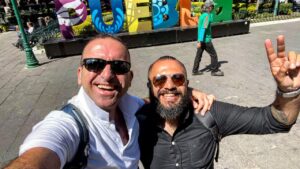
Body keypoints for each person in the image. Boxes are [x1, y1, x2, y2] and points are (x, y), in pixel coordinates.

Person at [4, 34, 214, 169]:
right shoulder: (68, 124)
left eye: (119, 67)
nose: (107, 75)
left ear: (130, 78)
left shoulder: (134, 106)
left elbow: (158, 99)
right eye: (94, 64)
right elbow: (38, 155)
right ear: (79, 74)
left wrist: (184, 90)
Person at [137, 35, 300, 168]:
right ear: (149, 87)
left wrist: (289, 91)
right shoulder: (135, 122)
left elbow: (275, 121)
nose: (170, 85)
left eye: (178, 78)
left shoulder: (207, 113)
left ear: (187, 85)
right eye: (159, 80)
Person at [192, 0, 224, 76]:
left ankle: (195, 70)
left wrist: (199, 40)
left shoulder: (204, 15)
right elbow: (203, 28)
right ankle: (214, 71)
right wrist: (200, 41)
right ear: (209, 7)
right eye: (213, 6)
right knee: (214, 55)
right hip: (205, 40)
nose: (213, 8)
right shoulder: (206, 16)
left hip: (202, 39)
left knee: (198, 55)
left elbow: (210, 20)